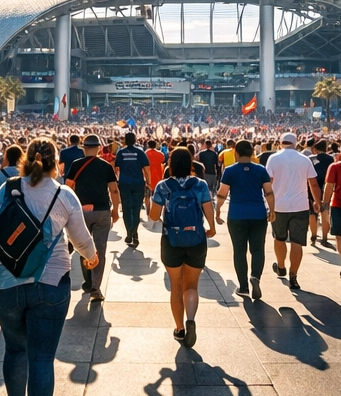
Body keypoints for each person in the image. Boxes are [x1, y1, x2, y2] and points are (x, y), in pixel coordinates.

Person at [0, 138, 98, 396]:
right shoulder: (63, 195)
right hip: (51, 283)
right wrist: (91, 257)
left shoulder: (9, 188)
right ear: (56, 163)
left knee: (15, 348)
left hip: (7, 283)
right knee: (42, 357)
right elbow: (81, 238)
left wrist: (3, 254)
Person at [149, 146, 217, 343]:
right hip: (196, 239)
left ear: (170, 164)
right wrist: (211, 228)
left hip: (171, 240)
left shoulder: (163, 186)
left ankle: (179, 329)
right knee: (191, 286)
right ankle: (191, 319)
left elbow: (154, 216)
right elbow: (208, 209)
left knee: (176, 286)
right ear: (190, 164)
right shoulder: (200, 184)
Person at [65, 134, 120, 302]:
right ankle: (96, 286)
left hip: (81, 211)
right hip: (102, 211)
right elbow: (114, 190)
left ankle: (87, 281)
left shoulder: (76, 165)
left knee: (83, 246)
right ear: (98, 148)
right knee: (100, 249)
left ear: (84, 148)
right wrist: (116, 210)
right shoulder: (106, 166)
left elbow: (67, 188)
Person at [217, 139, 274, 299]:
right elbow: (269, 192)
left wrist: (217, 210)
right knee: (258, 249)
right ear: (252, 153)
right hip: (258, 214)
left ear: (236, 152)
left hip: (237, 214)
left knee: (239, 251)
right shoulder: (261, 170)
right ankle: (255, 276)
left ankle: (243, 286)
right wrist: (272, 210)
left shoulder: (230, 170)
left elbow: (222, 193)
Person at [265, 131, 319, 291]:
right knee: (297, 242)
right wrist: (317, 202)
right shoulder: (304, 159)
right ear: (295, 143)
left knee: (279, 238)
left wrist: (268, 204)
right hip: (300, 205)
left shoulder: (273, 158)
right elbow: (313, 184)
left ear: (281, 142)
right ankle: (293, 275)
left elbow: (268, 182)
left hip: (279, 206)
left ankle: (281, 266)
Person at [114, 132, 149, 247]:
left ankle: (129, 232)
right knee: (136, 210)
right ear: (135, 140)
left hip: (124, 184)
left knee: (127, 209)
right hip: (138, 184)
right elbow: (146, 169)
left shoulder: (121, 153)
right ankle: (134, 232)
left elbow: (117, 169)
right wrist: (149, 182)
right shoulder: (140, 152)